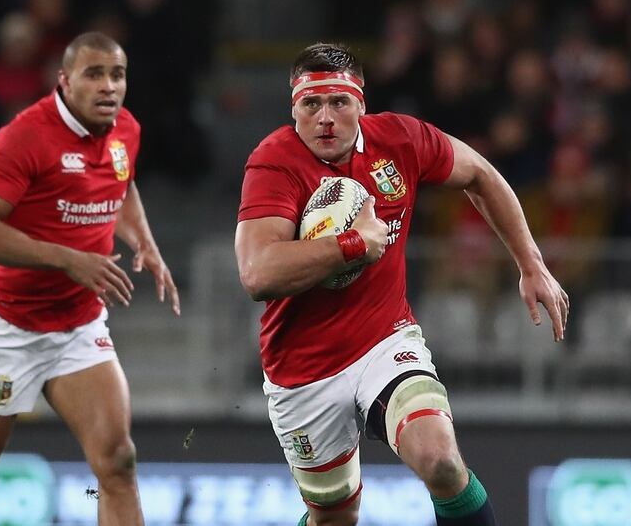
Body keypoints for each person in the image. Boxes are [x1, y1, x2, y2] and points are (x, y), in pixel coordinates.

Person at [234, 43, 569, 526]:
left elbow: (479, 173)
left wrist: (531, 264)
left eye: (338, 102)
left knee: (441, 461)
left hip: (383, 341)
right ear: (294, 109)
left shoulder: (400, 140)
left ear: (361, 104)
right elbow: (257, 274)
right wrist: (352, 245)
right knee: (335, 516)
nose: (325, 118)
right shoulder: (273, 163)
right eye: (311, 104)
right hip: (303, 367)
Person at [0, 31, 180, 525]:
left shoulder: (126, 129)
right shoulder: (25, 136)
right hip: (10, 324)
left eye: (117, 75)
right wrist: (68, 259)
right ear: (64, 80)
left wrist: (144, 242)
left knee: (117, 460)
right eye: (94, 74)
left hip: (78, 325)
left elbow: (121, 185)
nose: (108, 86)